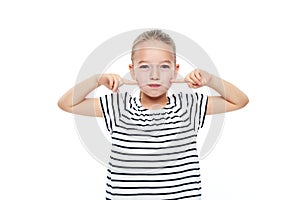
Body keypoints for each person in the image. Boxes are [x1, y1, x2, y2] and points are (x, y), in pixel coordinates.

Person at [58, 29, 248, 200]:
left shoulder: (189, 105)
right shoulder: (117, 107)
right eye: (144, 67)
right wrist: (96, 80)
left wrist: (211, 79)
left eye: (164, 67)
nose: (155, 75)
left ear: (175, 71)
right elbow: (67, 104)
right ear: (132, 72)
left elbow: (239, 100)